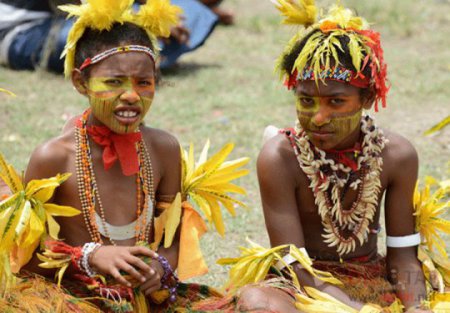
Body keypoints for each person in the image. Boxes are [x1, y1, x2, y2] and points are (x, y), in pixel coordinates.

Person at [190, 1, 449, 312]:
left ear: (366, 98)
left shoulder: (396, 156)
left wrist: (416, 307)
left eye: (336, 101)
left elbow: (403, 256)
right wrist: (355, 310)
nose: (319, 116)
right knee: (259, 303)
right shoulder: (280, 157)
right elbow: (294, 268)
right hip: (300, 286)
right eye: (306, 100)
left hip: (371, 283)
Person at [0, 0, 248, 311]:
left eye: (144, 83)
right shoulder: (53, 157)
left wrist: (159, 268)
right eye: (113, 82)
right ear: (80, 82)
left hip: (144, 299)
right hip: (74, 299)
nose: (131, 96)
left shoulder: (164, 149)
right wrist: (90, 257)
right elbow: (26, 259)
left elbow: (171, 239)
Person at [0, 0, 218, 72]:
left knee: (183, 12)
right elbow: (93, 10)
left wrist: (156, 11)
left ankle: (144, 51)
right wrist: (146, 19)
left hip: (70, 15)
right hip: (22, 29)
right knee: (107, 32)